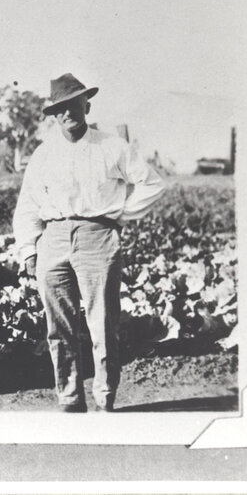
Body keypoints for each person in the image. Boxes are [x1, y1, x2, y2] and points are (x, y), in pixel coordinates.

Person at [13, 73, 166, 412]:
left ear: (87, 104)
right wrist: (28, 250)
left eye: (73, 104)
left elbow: (152, 183)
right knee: (59, 328)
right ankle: (69, 398)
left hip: (97, 237)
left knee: (102, 324)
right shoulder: (43, 154)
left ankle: (105, 397)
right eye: (59, 108)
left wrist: (121, 216)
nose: (67, 113)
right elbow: (27, 205)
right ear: (53, 114)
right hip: (52, 239)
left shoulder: (111, 145)